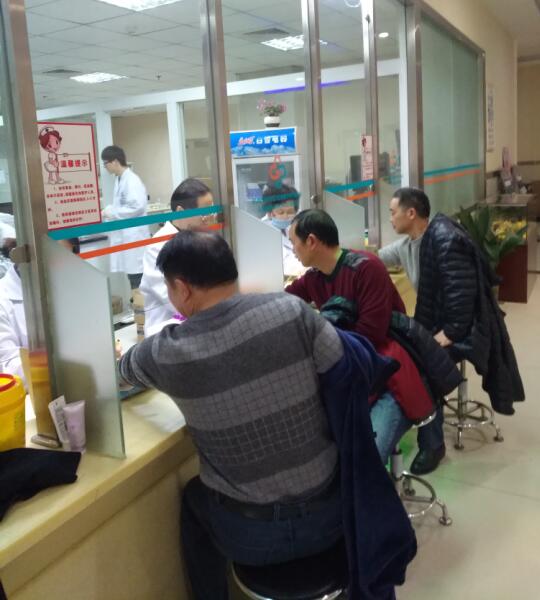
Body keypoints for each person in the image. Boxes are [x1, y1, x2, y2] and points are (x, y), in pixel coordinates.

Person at [118, 230, 345, 600]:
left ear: (182, 289)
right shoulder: (291, 310)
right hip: (332, 515)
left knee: (194, 498)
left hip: (252, 537)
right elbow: (338, 366)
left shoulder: (167, 353)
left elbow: (123, 371)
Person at [286, 209, 434, 466]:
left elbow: (370, 335)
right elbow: (285, 300)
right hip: (350, 376)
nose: (293, 250)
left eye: (293, 243)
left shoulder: (367, 269)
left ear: (311, 241)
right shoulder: (314, 278)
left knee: (365, 460)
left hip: (385, 374)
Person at [139, 178, 213, 336]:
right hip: (167, 333)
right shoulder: (158, 247)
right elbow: (176, 302)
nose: (209, 219)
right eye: (204, 213)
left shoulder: (200, 239)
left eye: (211, 211)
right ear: (180, 212)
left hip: (199, 325)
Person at [0, 237, 79, 382]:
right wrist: (72, 356)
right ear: (25, 256)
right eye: (53, 259)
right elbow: (8, 370)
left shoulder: (62, 282)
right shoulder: (3, 299)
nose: (60, 267)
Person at [100, 145, 149, 291]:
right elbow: (123, 204)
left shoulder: (132, 180)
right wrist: (111, 210)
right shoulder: (120, 179)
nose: (105, 167)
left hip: (134, 237)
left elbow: (137, 206)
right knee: (132, 275)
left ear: (115, 161)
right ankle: (138, 301)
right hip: (127, 236)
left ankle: (140, 303)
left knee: (137, 277)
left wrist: (113, 212)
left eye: (105, 163)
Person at [261, 183, 305, 277]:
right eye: (281, 212)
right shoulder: (262, 233)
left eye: (290, 212)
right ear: (269, 213)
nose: (286, 216)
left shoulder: (298, 224)